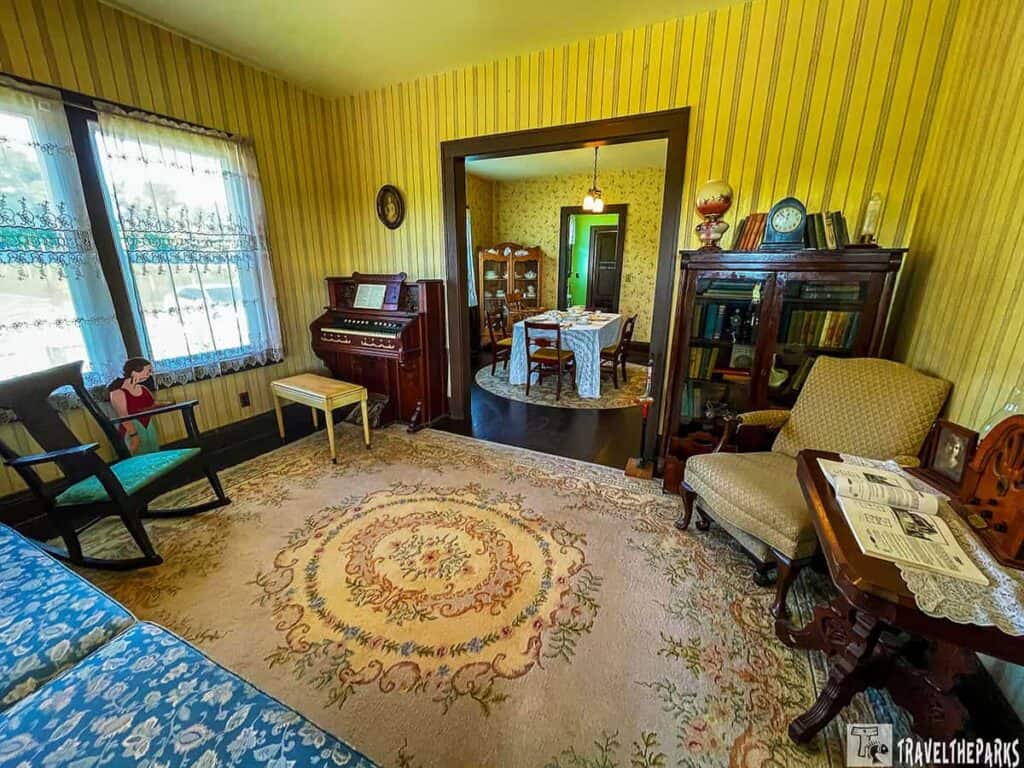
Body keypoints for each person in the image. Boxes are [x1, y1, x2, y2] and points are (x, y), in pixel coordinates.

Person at [108, 357, 160, 455]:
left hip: (148, 426)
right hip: (131, 429)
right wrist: (134, 436)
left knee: (154, 454)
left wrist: (165, 403)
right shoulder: (117, 392)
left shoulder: (143, 388)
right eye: (148, 371)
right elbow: (123, 416)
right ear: (134, 372)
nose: (150, 374)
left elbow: (152, 404)